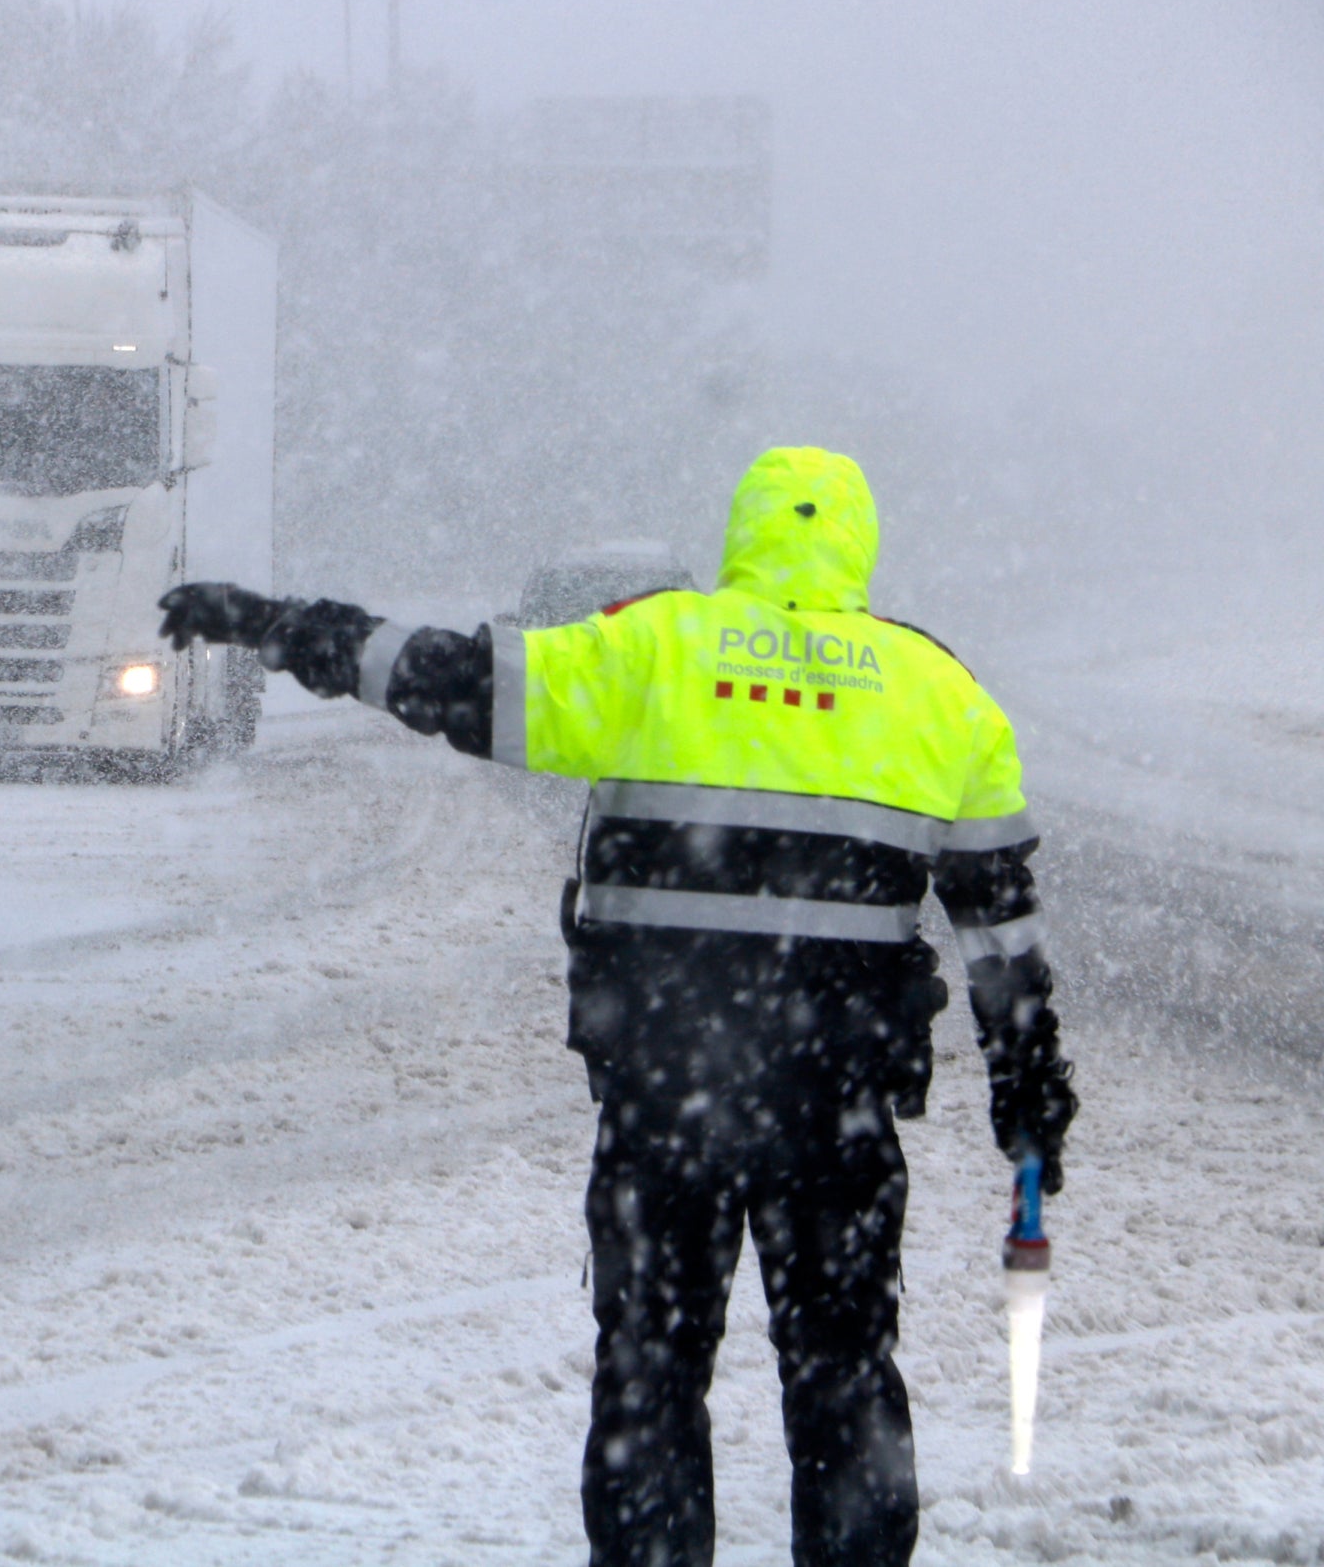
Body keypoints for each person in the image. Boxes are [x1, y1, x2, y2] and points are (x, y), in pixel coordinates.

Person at [157, 447, 1075, 1567]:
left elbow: (445, 676)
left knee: (650, 1371)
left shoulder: (654, 645)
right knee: (842, 1375)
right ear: (858, 544)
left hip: (666, 1100)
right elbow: (1002, 932)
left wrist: (282, 623)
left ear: (742, 532)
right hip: (833, 1113)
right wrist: (1028, 1093)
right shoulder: (938, 691)